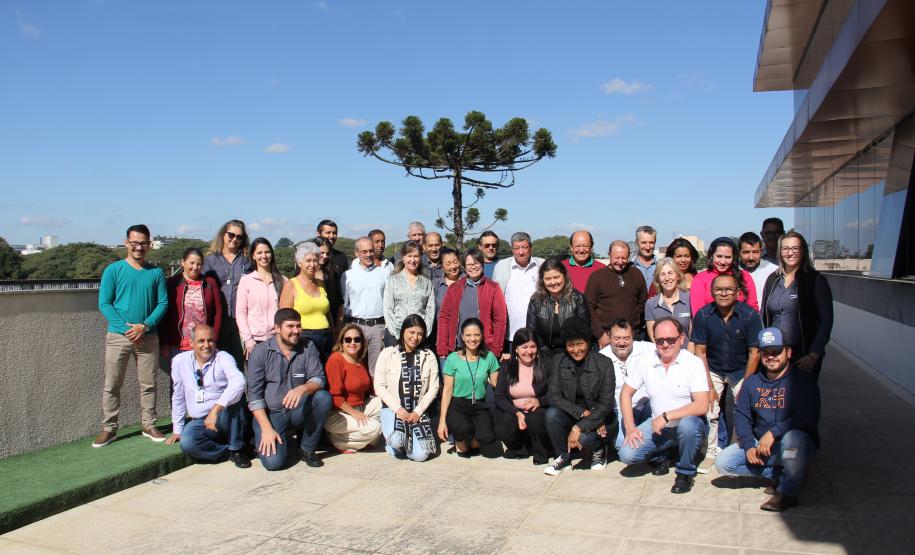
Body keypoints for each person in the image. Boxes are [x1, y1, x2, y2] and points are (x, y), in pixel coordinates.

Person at [715, 327, 820, 512]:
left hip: (791, 443)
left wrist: (774, 432)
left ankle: (787, 492)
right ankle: (781, 474)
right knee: (723, 463)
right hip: (762, 445)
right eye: (766, 353)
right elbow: (742, 415)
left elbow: (807, 417)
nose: (771, 357)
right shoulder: (752, 382)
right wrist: (748, 445)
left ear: (788, 352)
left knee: (793, 439)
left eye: (776, 352)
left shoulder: (803, 380)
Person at [94, 224, 168, 447]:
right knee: (112, 383)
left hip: (148, 335)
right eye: (134, 243)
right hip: (119, 336)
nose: (139, 247)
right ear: (126, 243)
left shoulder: (156, 272)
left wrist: (144, 326)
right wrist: (127, 328)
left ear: (149, 244)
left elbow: (163, 303)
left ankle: (148, 423)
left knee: (148, 384)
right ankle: (109, 427)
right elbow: (104, 303)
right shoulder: (113, 270)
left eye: (143, 243)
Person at [618, 317, 709, 494]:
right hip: (659, 427)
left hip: (687, 424)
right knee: (626, 454)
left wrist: (667, 416)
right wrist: (630, 427)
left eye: (671, 339)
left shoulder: (693, 363)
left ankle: (685, 472)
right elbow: (625, 393)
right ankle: (663, 455)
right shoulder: (645, 361)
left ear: (681, 339)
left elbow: (702, 405)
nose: (665, 344)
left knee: (688, 426)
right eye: (660, 340)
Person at [691, 273, 763, 471]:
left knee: (745, 408)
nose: (723, 293)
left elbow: (755, 353)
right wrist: (708, 386)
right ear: (712, 292)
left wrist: (747, 385)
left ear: (737, 292)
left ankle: (743, 450)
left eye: (728, 289)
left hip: (741, 369)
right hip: (713, 368)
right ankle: (711, 451)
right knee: (710, 409)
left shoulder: (750, 316)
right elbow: (700, 352)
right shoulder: (703, 315)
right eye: (719, 289)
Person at [246, 308, 332, 470]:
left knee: (323, 398)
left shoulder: (308, 346)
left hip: (297, 410)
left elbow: (319, 378)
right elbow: (254, 396)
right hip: (271, 415)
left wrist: (303, 388)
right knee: (274, 464)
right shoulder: (261, 352)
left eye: (298, 326)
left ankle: (307, 448)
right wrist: (266, 429)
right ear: (277, 328)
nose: (296, 331)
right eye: (290, 326)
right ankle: (276, 438)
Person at [165, 324, 250, 468]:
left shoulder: (223, 357)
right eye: (201, 341)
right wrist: (178, 429)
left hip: (225, 417)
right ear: (191, 343)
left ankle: (237, 449)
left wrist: (216, 409)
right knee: (188, 443)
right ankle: (227, 452)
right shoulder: (180, 361)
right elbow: (178, 395)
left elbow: (239, 381)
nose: (207, 345)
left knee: (236, 398)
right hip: (200, 422)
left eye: (210, 340)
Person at [543, 318, 615, 475]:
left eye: (580, 344)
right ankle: (563, 457)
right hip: (574, 414)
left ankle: (599, 449)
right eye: (571, 345)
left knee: (583, 438)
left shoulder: (604, 363)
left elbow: (606, 403)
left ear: (588, 343)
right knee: (551, 414)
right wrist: (582, 413)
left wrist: (580, 426)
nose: (576, 350)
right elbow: (554, 396)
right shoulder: (558, 361)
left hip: (601, 418)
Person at [761, 231, 833, 381]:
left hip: (803, 355)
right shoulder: (772, 279)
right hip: (775, 354)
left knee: (803, 401)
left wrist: (813, 355)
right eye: (786, 248)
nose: (790, 253)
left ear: (803, 251)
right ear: (780, 252)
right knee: (777, 401)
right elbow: (764, 316)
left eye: (795, 248)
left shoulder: (815, 280)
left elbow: (826, 321)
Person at [374, 314, 441, 462]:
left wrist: (418, 412)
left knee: (420, 456)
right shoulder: (388, 353)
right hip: (394, 410)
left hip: (418, 413)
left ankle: (408, 442)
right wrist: (398, 409)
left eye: (419, 334)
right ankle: (395, 443)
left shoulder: (428, 356)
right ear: (403, 331)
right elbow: (379, 386)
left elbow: (434, 387)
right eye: (411, 332)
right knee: (397, 440)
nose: (415, 337)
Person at [438, 318, 503, 458]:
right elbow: (447, 390)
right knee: (462, 429)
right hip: (458, 404)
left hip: (479, 404)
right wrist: (442, 421)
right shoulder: (453, 358)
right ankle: (460, 440)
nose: (472, 339)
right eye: (468, 335)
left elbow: (496, 384)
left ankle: (473, 440)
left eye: (476, 335)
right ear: (462, 336)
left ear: (482, 336)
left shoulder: (489, 357)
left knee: (487, 438)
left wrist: (508, 365)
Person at [436, 249, 508, 359]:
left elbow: (500, 320)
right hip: (458, 349)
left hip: (484, 350)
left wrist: (496, 350)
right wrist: (442, 348)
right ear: (464, 266)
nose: (473, 267)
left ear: (482, 263)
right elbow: (444, 318)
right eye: (469, 264)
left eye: (476, 263)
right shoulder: (454, 288)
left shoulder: (493, 288)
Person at [495, 328, 552, 464]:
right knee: (503, 424)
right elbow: (499, 396)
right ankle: (521, 450)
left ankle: (541, 453)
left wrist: (539, 401)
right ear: (515, 349)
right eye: (524, 347)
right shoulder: (507, 366)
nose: (529, 351)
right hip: (515, 410)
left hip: (538, 410)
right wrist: (517, 413)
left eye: (532, 346)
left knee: (536, 419)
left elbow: (555, 393)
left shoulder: (546, 365)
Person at [323, 324, 383, 453]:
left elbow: (369, 389)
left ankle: (361, 439)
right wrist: (354, 413)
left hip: (359, 407)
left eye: (357, 339)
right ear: (342, 342)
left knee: (383, 403)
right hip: (338, 414)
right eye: (348, 339)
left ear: (362, 342)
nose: (353, 343)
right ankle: (339, 442)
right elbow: (336, 397)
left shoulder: (360, 362)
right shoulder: (336, 359)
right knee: (375, 429)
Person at [598, 319, 655, 448]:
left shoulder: (648, 349)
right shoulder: (600, 358)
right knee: (623, 446)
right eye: (617, 338)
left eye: (626, 338)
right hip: (619, 411)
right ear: (609, 337)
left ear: (633, 336)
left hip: (646, 406)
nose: (622, 343)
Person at [203, 220, 250, 368]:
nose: (235, 239)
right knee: (217, 364)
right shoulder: (211, 260)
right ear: (223, 235)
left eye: (239, 237)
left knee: (238, 365)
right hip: (218, 319)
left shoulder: (247, 261)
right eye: (231, 235)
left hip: (241, 320)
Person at [161, 247, 223, 358]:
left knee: (204, 375)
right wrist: (164, 343)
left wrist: (213, 339)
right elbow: (165, 315)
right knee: (179, 375)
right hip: (178, 344)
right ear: (183, 262)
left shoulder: (210, 283)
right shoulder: (172, 283)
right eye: (192, 263)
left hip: (203, 344)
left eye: (199, 264)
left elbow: (218, 313)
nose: (195, 267)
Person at [341, 236, 391, 374]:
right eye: (364, 251)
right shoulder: (348, 276)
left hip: (378, 327)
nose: (368, 255)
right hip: (356, 326)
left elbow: (389, 302)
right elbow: (344, 305)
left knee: (377, 370)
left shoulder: (384, 273)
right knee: (355, 367)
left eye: (371, 251)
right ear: (356, 253)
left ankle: (375, 395)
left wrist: (386, 328)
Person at [585, 240, 648, 347]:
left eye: (624, 258)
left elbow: (643, 303)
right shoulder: (597, 277)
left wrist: (635, 326)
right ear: (609, 255)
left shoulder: (636, 274)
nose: (620, 262)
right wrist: (600, 335)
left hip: (632, 337)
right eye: (616, 258)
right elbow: (588, 307)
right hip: (606, 337)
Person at [525, 258, 590, 362]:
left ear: (564, 276)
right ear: (542, 280)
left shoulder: (578, 299)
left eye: (556, 277)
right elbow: (531, 332)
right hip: (545, 355)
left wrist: (573, 352)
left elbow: (585, 332)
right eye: (548, 278)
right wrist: (543, 353)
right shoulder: (535, 301)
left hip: (573, 355)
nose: (553, 282)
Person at [280, 242, 333, 358]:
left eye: (315, 260)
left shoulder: (321, 284)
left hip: (326, 337)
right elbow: (284, 316)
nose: (312, 264)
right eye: (308, 261)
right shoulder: (291, 284)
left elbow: (327, 312)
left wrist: (333, 332)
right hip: (304, 338)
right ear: (299, 262)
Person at [493, 232, 544, 352]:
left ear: (531, 247)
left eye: (524, 247)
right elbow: (495, 300)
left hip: (539, 335)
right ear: (512, 249)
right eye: (517, 248)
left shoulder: (542, 265)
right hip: (510, 335)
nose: (521, 252)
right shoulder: (502, 267)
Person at [236, 238, 286, 360]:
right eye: (259, 253)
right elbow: (241, 313)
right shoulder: (246, 281)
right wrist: (248, 340)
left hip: (278, 339)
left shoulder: (283, 281)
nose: (264, 256)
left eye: (267, 252)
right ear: (253, 255)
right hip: (254, 341)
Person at [383, 240, 436, 346]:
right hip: (395, 336)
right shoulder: (393, 281)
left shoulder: (427, 282)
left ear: (420, 258)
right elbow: (387, 309)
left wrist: (422, 333)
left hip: (419, 337)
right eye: (409, 256)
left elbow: (430, 311)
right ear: (403, 257)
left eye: (416, 256)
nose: (412, 260)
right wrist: (399, 334)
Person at [690, 236, 759, 316]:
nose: (723, 262)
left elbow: (753, 308)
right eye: (719, 256)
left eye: (727, 257)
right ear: (711, 256)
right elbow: (698, 313)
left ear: (734, 258)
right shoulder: (700, 279)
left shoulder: (744, 276)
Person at [644, 257, 691, 343]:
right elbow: (653, 338)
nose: (667, 278)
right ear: (658, 279)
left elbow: (693, 336)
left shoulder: (690, 299)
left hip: (687, 353)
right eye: (662, 274)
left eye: (670, 273)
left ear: (678, 276)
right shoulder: (651, 304)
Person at [739, 232, 778, 308]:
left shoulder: (774, 271)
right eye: (746, 252)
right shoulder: (731, 272)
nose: (751, 257)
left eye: (755, 252)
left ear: (761, 251)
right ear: (738, 253)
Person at [313, 237, 345, 325]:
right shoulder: (304, 272)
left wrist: (339, 323)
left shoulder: (331, 272)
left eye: (327, 253)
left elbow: (339, 300)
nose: (325, 256)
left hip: (331, 319)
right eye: (322, 253)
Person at [631, 225, 658, 289]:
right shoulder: (629, 267)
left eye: (651, 242)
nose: (648, 247)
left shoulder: (662, 267)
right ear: (637, 242)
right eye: (644, 242)